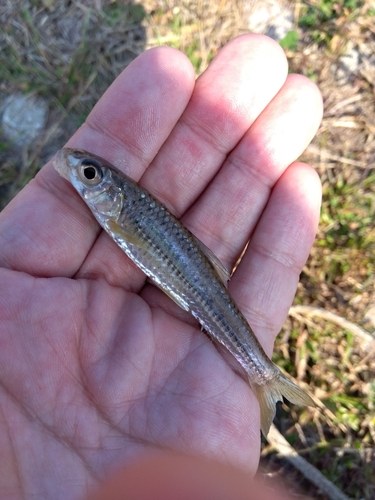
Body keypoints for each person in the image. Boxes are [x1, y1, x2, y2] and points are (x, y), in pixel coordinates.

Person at [0, 34, 322, 499]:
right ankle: (263, 376)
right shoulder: (113, 208)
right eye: (88, 174)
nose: (81, 175)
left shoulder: (119, 209)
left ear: (111, 196)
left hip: (194, 287)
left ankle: (265, 376)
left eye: (90, 175)